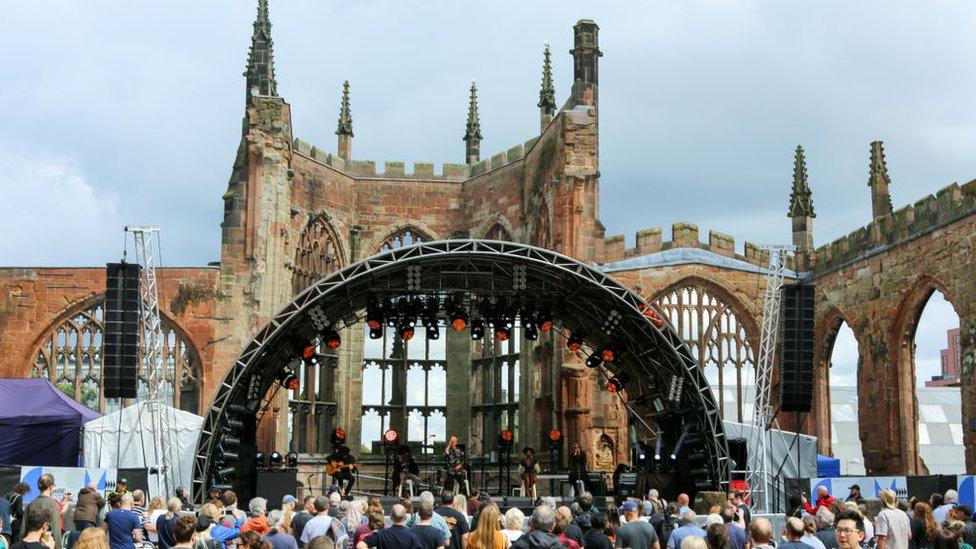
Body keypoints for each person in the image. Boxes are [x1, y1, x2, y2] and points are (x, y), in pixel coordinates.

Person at [22, 475, 68, 549]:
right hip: (46, 544)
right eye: (54, 485)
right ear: (50, 486)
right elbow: (56, 531)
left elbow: (23, 529)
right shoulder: (52, 505)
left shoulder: (30, 504)